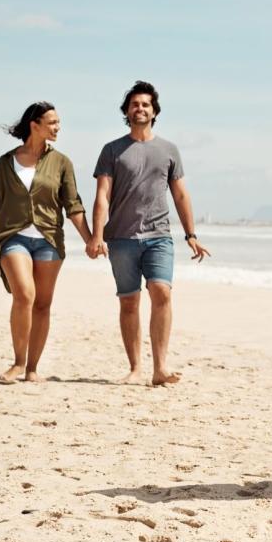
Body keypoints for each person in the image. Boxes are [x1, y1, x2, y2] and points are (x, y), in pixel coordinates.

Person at [88, 81, 210, 387]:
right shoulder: (112, 150)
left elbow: (181, 195)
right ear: (127, 112)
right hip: (121, 238)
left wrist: (191, 234)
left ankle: (160, 367)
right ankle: (134, 369)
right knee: (129, 302)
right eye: (134, 104)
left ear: (154, 111)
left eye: (145, 104)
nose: (139, 108)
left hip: (159, 235)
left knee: (162, 293)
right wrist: (97, 236)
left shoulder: (169, 150)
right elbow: (102, 195)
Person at [0, 102, 93, 383]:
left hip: (49, 240)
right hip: (12, 237)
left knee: (42, 305)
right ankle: (18, 363)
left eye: (58, 122)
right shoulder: (6, 162)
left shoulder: (62, 162)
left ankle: (32, 369)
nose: (58, 127)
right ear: (35, 125)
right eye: (52, 122)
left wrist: (91, 240)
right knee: (25, 295)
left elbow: (73, 206)